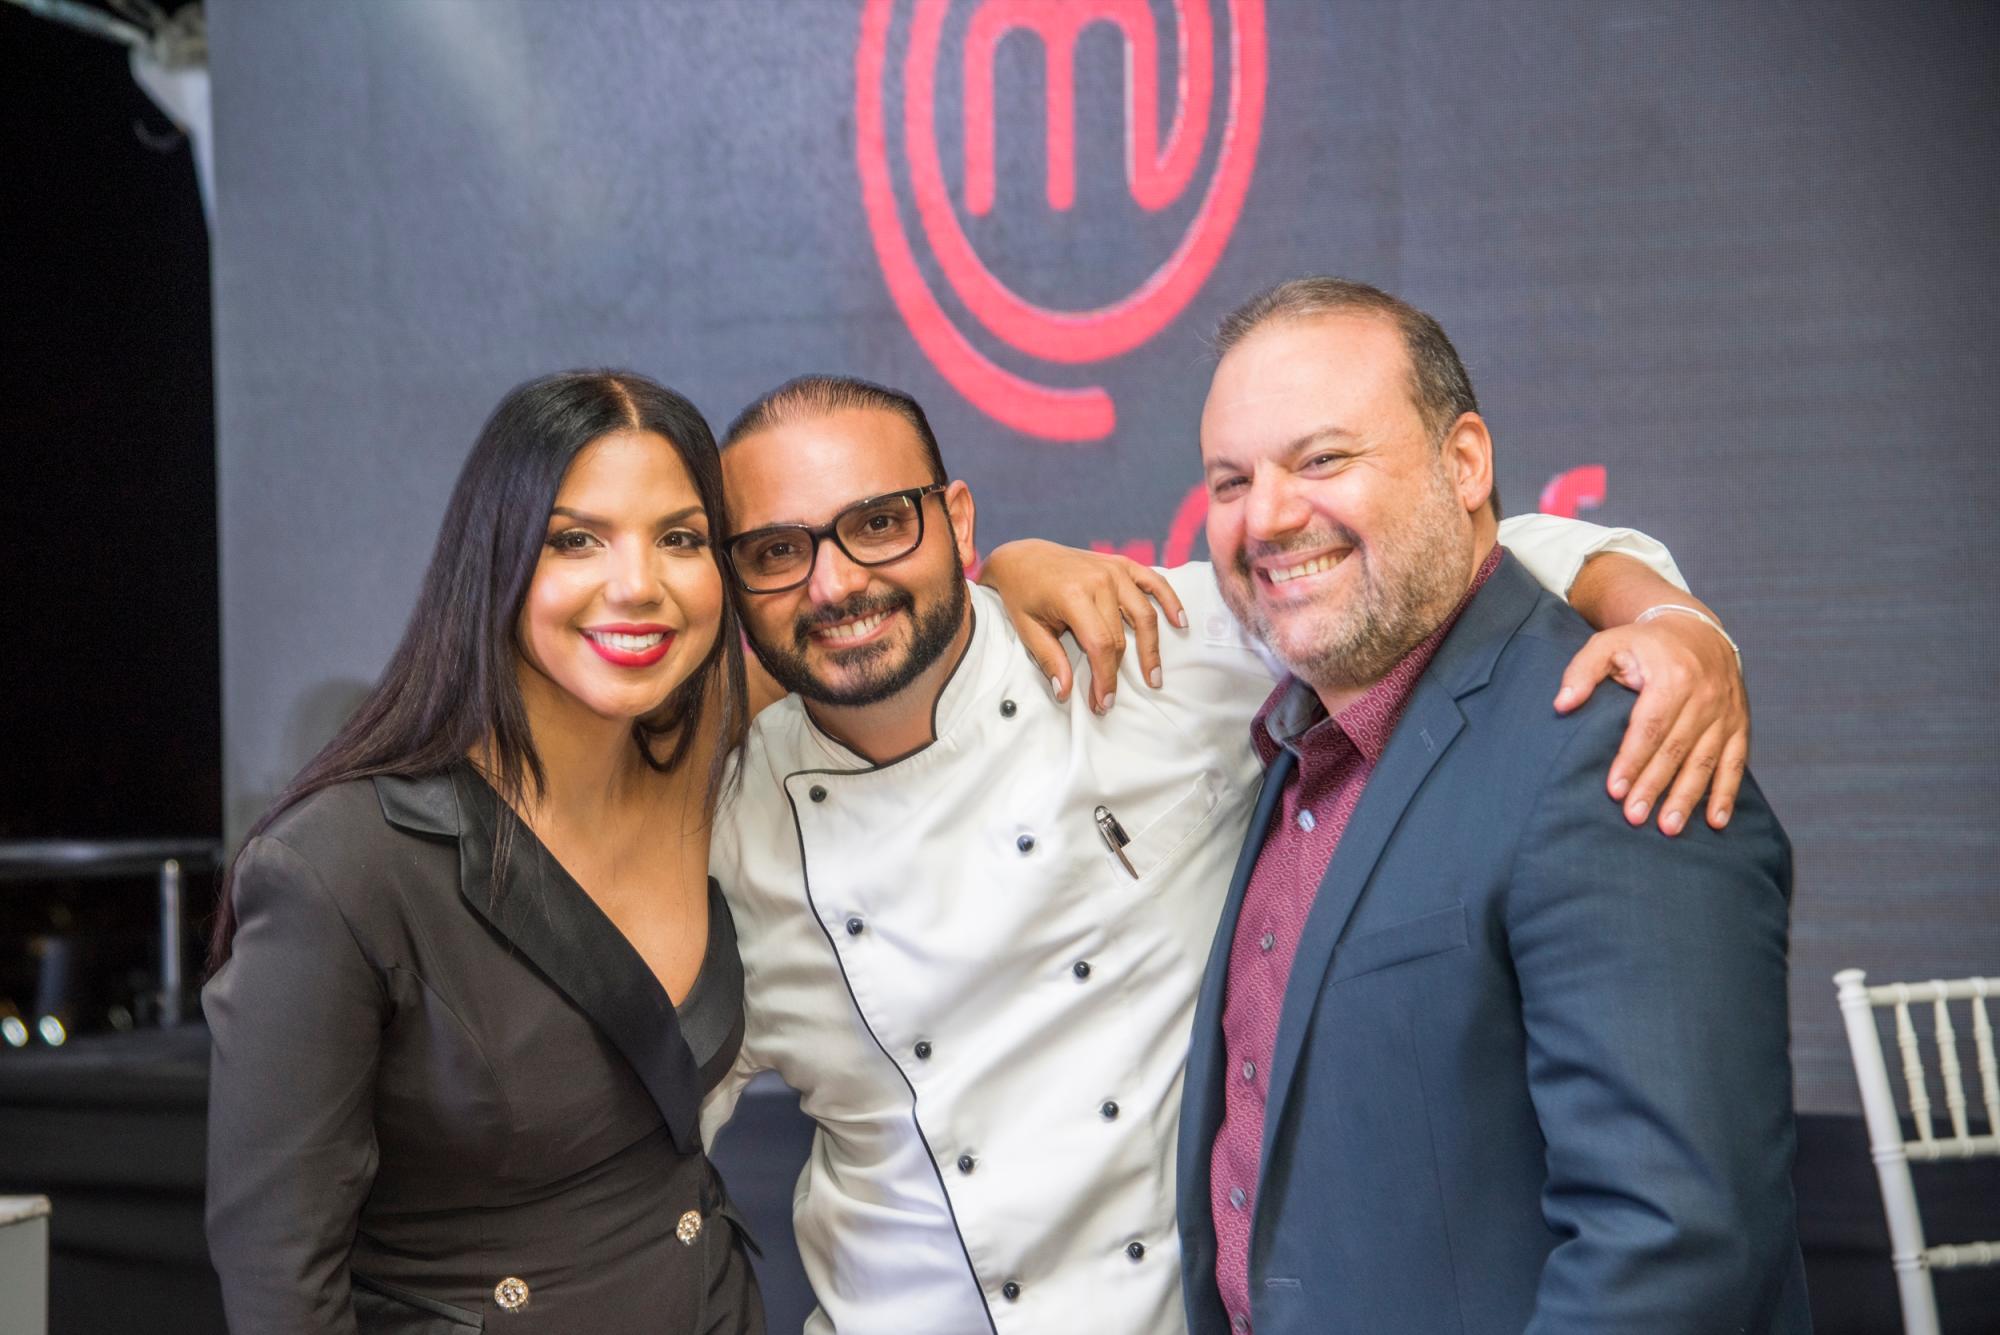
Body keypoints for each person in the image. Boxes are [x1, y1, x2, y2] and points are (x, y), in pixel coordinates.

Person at [701, 373, 1749, 1334]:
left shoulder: (1151, 643)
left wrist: (1662, 619)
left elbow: (1451, 566)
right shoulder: (721, 833)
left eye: (880, 524)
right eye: (775, 552)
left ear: (958, 521)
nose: (835, 583)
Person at [1174, 278, 1809, 1334]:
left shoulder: (1609, 741)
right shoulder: (1294, 748)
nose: (1269, 515)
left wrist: (1668, 616)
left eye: (1323, 458)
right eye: (1230, 480)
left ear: (1463, 463)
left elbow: (1670, 1250)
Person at [204, 372, 766, 1333]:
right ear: (494, 557)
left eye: (681, 538)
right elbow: (280, 1282)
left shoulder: (703, 764)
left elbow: (867, 614)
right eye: (574, 539)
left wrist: (1022, 575)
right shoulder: (342, 865)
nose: (638, 583)